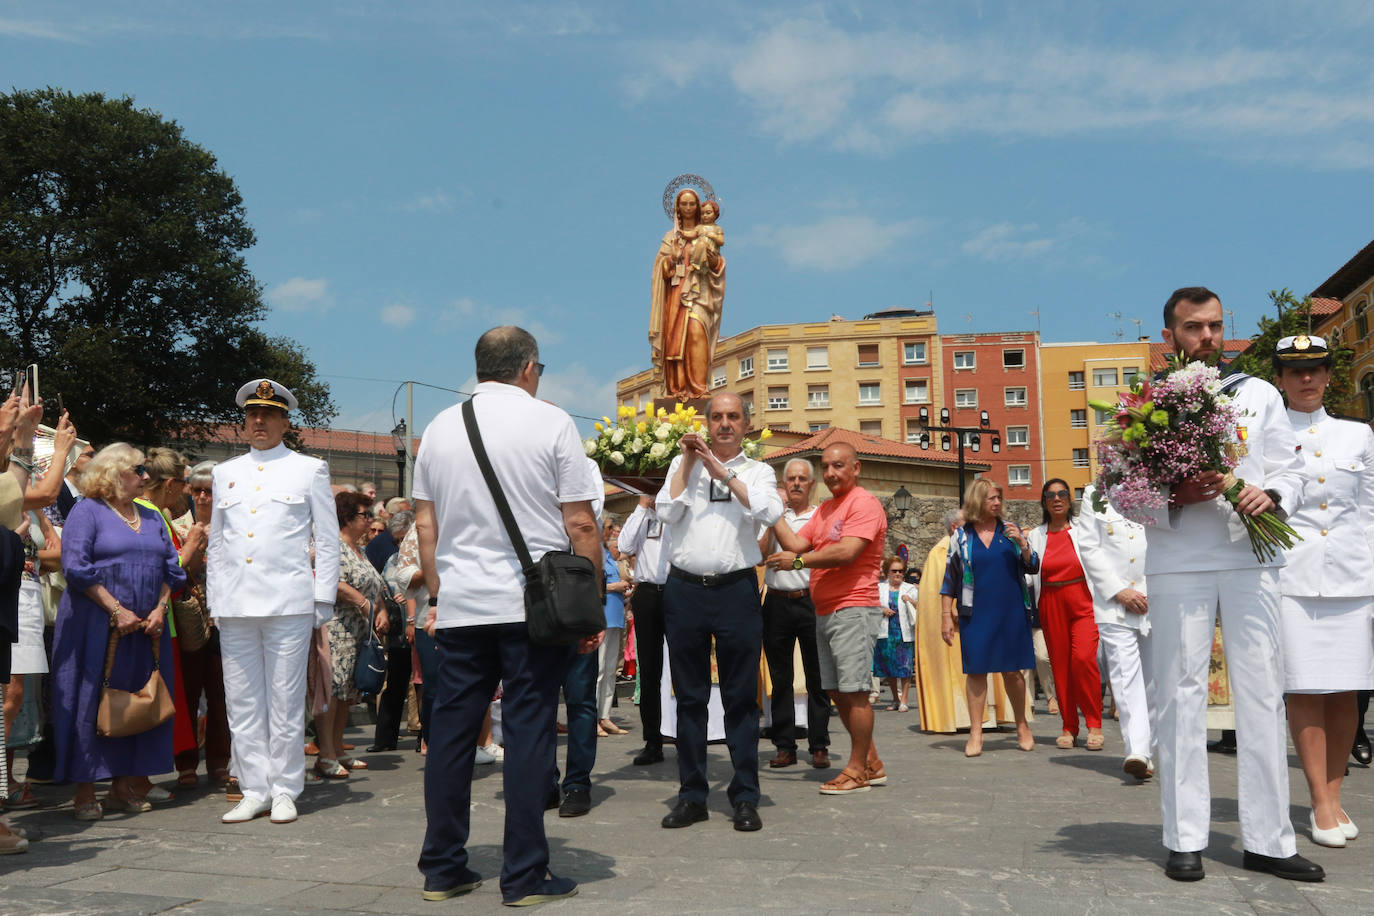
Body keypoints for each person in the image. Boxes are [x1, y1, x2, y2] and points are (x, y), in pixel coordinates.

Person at [414, 326, 602, 905]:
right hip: (531, 606)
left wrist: (445, 595)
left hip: (463, 608)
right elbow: (581, 524)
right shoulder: (552, 422)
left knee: (450, 734)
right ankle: (523, 876)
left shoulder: (441, 428)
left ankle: (443, 868)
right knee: (529, 733)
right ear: (528, 369)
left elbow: (426, 526)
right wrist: (589, 601)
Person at [1136, 288, 1318, 883]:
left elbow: (1292, 467)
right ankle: (1184, 835)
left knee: (1263, 695)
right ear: (1170, 336)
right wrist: (1172, 495)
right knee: (1181, 694)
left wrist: (1274, 494)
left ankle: (1268, 839)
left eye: (1215, 326)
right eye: (1193, 328)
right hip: (1178, 559)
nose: (1208, 338)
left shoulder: (1260, 394)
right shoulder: (1145, 403)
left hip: (1249, 557)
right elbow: (1116, 492)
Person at [208, 378, 340, 826]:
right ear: (244, 422)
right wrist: (215, 600)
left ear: (285, 421)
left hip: (288, 601)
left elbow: (327, 538)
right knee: (241, 702)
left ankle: (285, 788)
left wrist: (323, 597)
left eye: (268, 414)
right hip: (236, 603)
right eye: (252, 414)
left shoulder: (309, 469)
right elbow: (218, 545)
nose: (258, 421)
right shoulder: (226, 472)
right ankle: (253, 788)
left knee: (284, 702)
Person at [656, 391, 781, 830]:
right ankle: (692, 795)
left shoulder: (760, 471)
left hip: (736, 593)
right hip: (685, 592)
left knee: (740, 699)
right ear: (706, 423)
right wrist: (690, 464)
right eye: (716, 417)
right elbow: (666, 514)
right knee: (689, 698)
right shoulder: (680, 466)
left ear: (746, 424)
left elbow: (767, 509)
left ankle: (745, 795)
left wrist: (719, 470)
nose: (724, 424)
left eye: (732, 417)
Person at [1272, 334, 1374, 848]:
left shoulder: (1358, 436)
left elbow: (1371, 511)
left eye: (1315, 369)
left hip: (1353, 577)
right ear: (1280, 380)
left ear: (1330, 375)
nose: (1306, 378)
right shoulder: (1266, 434)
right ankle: (1319, 800)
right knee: (1307, 688)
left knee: (1348, 689)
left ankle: (1335, 796)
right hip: (1292, 576)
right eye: (1295, 371)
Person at [50, 443, 186, 820]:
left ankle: (122, 786)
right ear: (113, 472)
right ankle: (84, 790)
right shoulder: (87, 511)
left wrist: (159, 609)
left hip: (145, 628)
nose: (146, 476)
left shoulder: (152, 516)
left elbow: (171, 570)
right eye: (138, 470)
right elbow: (75, 567)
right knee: (90, 700)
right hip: (94, 623)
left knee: (137, 701)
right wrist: (116, 609)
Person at [767, 443, 887, 796]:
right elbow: (793, 541)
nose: (832, 473)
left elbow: (848, 552)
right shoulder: (827, 509)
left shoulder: (863, 503)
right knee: (835, 690)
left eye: (839, 466)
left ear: (856, 467)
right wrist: (769, 509)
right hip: (825, 610)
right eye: (828, 468)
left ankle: (856, 771)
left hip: (854, 607)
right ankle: (872, 763)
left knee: (856, 691)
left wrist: (800, 563)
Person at [940, 478, 1038, 758]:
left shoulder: (1011, 531)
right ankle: (975, 732)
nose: (996, 503)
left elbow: (1033, 566)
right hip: (976, 611)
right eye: (990, 498)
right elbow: (950, 581)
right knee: (976, 671)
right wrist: (946, 616)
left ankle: (1022, 725)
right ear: (976, 501)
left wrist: (1023, 544)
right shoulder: (961, 537)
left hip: (1010, 610)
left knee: (1012, 670)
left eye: (998, 498)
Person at [1076, 483, 1154, 780]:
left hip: (1155, 596)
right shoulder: (1095, 494)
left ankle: (1153, 747)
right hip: (1114, 602)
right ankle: (1138, 751)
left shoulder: (1158, 483)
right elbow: (1089, 547)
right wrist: (1118, 591)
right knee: (1123, 675)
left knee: (1154, 679)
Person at [758, 458, 830, 769]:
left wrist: (796, 556)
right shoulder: (776, 517)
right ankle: (784, 745)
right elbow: (760, 555)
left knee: (818, 676)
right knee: (780, 677)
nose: (797, 483)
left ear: (812, 485)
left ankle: (819, 745)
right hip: (776, 601)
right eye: (791, 479)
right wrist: (772, 518)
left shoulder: (821, 517)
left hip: (810, 601)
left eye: (803, 479)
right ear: (784, 485)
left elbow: (824, 556)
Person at [1026, 478, 1104, 751]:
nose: (1057, 498)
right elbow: (1027, 569)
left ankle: (1094, 723)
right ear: (1044, 502)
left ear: (1070, 500)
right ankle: (1069, 726)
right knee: (1059, 665)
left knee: (1083, 659)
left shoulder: (1085, 529)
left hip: (1083, 600)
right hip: (1050, 601)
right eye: (1050, 495)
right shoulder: (1035, 535)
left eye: (1062, 494)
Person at [316, 490, 385, 778]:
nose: (369, 520)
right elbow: (334, 582)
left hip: (358, 630)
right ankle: (325, 754)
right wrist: (363, 603)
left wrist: (379, 610)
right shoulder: (333, 546)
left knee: (347, 693)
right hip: (337, 627)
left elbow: (375, 585)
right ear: (346, 517)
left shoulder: (361, 550)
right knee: (332, 691)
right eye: (364, 515)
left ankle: (339, 750)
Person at [173, 460, 232, 788]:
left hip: (224, 617)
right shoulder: (179, 525)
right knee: (189, 691)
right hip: (191, 617)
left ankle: (220, 761)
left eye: (209, 491)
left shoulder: (233, 526)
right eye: (197, 490)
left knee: (222, 694)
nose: (203, 497)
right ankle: (185, 764)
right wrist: (195, 544)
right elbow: (180, 571)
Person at [649, 187, 726, 399]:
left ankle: (699, 389)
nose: (689, 208)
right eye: (684, 204)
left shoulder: (707, 232)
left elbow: (718, 264)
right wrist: (671, 259)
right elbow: (660, 269)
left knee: (696, 333)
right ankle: (676, 389)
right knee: (675, 341)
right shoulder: (670, 237)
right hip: (675, 294)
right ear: (677, 208)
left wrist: (711, 260)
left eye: (692, 204)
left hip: (699, 292)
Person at [618, 494, 671, 766]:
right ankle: (653, 741)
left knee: (685, 668)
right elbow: (623, 545)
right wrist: (641, 505)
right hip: (647, 593)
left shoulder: (679, 509)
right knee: (649, 671)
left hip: (677, 591)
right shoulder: (642, 517)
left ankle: (690, 735)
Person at [370, 509, 414, 753]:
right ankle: (385, 738)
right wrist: (387, 601)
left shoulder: (425, 552)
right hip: (398, 627)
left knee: (422, 684)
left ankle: (425, 738)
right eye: (396, 540)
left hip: (418, 623)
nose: (400, 544)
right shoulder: (393, 560)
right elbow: (381, 584)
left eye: (403, 539)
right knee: (395, 681)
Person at [596, 517, 632, 737]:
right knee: (599, 670)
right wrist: (615, 586)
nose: (612, 532)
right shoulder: (597, 554)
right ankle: (594, 717)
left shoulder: (608, 555)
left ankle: (605, 715)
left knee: (610, 671)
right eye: (609, 528)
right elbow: (593, 584)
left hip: (615, 617)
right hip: (602, 617)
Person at [876, 555, 917, 712]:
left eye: (901, 571)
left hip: (903, 633)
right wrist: (882, 609)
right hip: (886, 632)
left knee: (905, 667)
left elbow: (921, 606)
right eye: (894, 571)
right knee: (889, 668)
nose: (898, 574)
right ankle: (895, 698)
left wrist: (911, 601)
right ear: (888, 572)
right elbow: (871, 606)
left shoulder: (910, 589)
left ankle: (904, 699)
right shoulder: (880, 588)